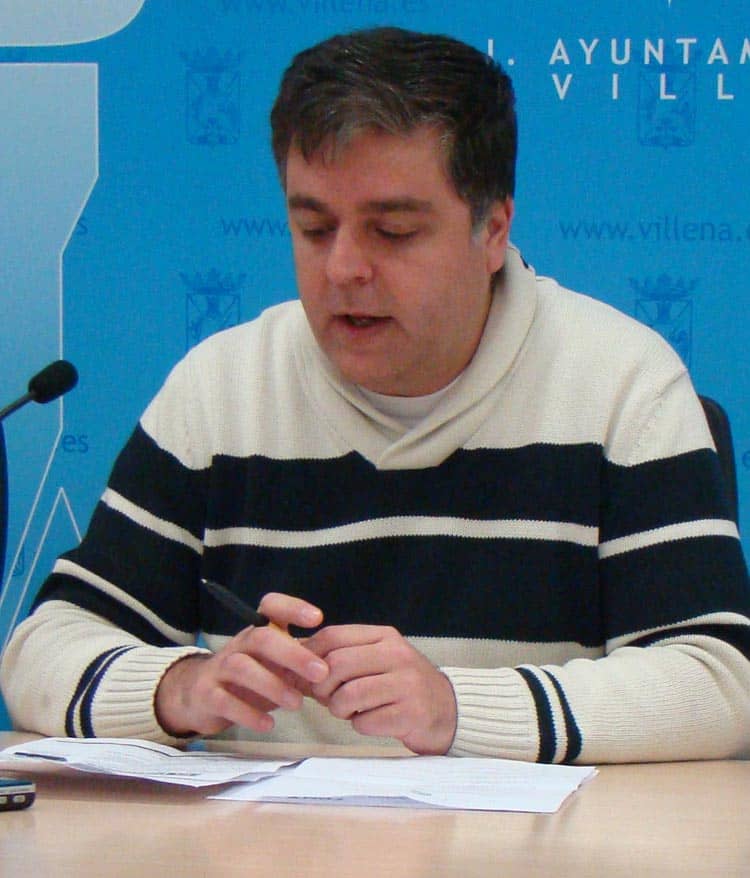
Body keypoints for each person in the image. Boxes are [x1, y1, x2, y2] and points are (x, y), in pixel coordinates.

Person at [2, 27, 749, 764]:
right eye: (314, 228)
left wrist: (457, 709)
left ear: (493, 229)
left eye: (391, 232)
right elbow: (42, 651)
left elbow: (721, 685)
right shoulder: (222, 389)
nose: (343, 269)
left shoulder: (622, 385)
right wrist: (180, 687)